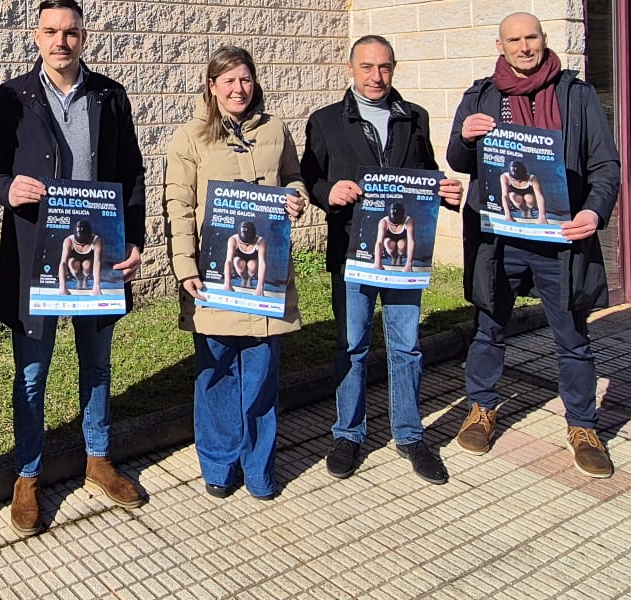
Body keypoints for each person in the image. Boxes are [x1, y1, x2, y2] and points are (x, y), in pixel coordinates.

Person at [0, 0, 147, 537]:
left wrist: (135, 239)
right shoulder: (12, 98)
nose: (61, 41)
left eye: (70, 32)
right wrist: (7, 187)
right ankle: (28, 473)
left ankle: (98, 459)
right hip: (36, 257)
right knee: (33, 372)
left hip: (97, 255)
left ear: (83, 36)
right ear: (35, 36)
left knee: (96, 363)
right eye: (51, 31)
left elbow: (132, 173)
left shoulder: (109, 96)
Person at [446, 12, 622, 479]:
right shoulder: (481, 95)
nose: (524, 47)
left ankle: (584, 426)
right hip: (499, 241)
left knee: (573, 338)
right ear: (499, 45)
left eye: (532, 37)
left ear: (544, 40)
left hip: (559, 240)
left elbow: (606, 165)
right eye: (514, 40)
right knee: (488, 329)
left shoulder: (575, 95)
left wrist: (593, 212)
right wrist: (465, 136)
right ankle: (482, 408)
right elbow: (458, 160)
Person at [301, 35, 463, 485]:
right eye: (367, 67)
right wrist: (325, 193)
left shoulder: (414, 118)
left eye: (385, 67)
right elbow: (309, 177)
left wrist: (444, 190)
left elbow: (425, 174)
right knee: (351, 346)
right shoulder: (326, 121)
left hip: (403, 257)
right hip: (352, 254)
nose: (376, 76)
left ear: (394, 69)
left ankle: (410, 435)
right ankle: (348, 433)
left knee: (406, 347)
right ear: (350, 68)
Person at [165, 47, 307, 500]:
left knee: (262, 375)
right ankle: (220, 464)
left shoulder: (276, 130)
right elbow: (179, 207)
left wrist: (296, 197)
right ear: (211, 86)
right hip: (215, 276)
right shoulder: (189, 138)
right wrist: (184, 266)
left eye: (244, 79)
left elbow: (294, 177)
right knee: (217, 372)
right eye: (227, 81)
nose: (237, 89)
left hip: (266, 278)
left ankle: (260, 466)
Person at [59, 217, 102, 294]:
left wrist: (96, 287)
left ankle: (85, 279)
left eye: (85, 244)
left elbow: (97, 262)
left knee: (87, 264)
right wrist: (62, 287)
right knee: (72, 263)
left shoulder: (97, 240)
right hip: (74, 260)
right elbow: (63, 263)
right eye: (78, 244)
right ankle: (78, 279)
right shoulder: (68, 241)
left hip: (88, 260)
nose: (82, 246)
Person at [224, 218, 267, 293]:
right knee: (238, 262)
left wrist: (260, 287)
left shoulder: (261, 242)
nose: (246, 246)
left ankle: (250, 278)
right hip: (239, 259)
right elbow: (229, 261)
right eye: (243, 243)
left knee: (252, 264)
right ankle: (244, 278)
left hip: (253, 260)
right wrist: (227, 284)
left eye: (249, 243)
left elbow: (262, 263)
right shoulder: (233, 240)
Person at [499, 159, 545, 224]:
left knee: (529, 197)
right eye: (516, 180)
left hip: (529, 196)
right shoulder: (504, 177)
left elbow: (539, 196)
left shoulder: (533, 178)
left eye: (521, 180)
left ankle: (529, 210)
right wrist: (507, 215)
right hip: (516, 197)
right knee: (512, 195)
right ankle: (523, 210)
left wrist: (542, 216)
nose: (518, 182)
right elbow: (505, 196)